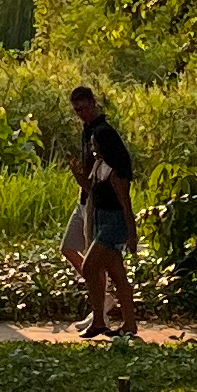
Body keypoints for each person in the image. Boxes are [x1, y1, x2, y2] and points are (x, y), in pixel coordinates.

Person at [67, 86, 139, 339]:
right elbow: (92, 189)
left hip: (113, 220)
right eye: (77, 111)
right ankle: (126, 324)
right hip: (100, 215)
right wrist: (80, 178)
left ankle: (102, 317)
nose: (92, 150)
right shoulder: (98, 168)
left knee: (90, 268)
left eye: (84, 108)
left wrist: (132, 233)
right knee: (117, 275)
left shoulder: (112, 166)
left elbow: (125, 199)